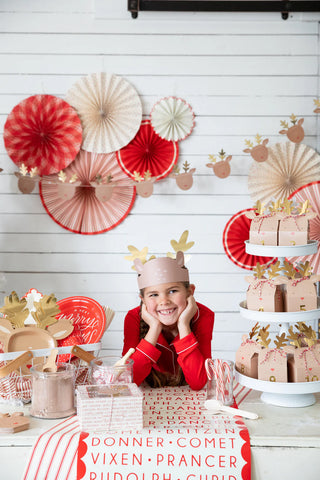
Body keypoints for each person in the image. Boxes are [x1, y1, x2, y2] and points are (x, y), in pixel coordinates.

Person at [122, 251, 214, 390]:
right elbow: (128, 380)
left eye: (172, 291)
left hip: (188, 397)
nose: (164, 301)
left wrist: (183, 325)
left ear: (190, 292)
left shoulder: (203, 315)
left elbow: (198, 382)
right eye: (153, 294)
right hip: (148, 394)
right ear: (143, 300)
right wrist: (154, 328)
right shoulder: (133, 317)